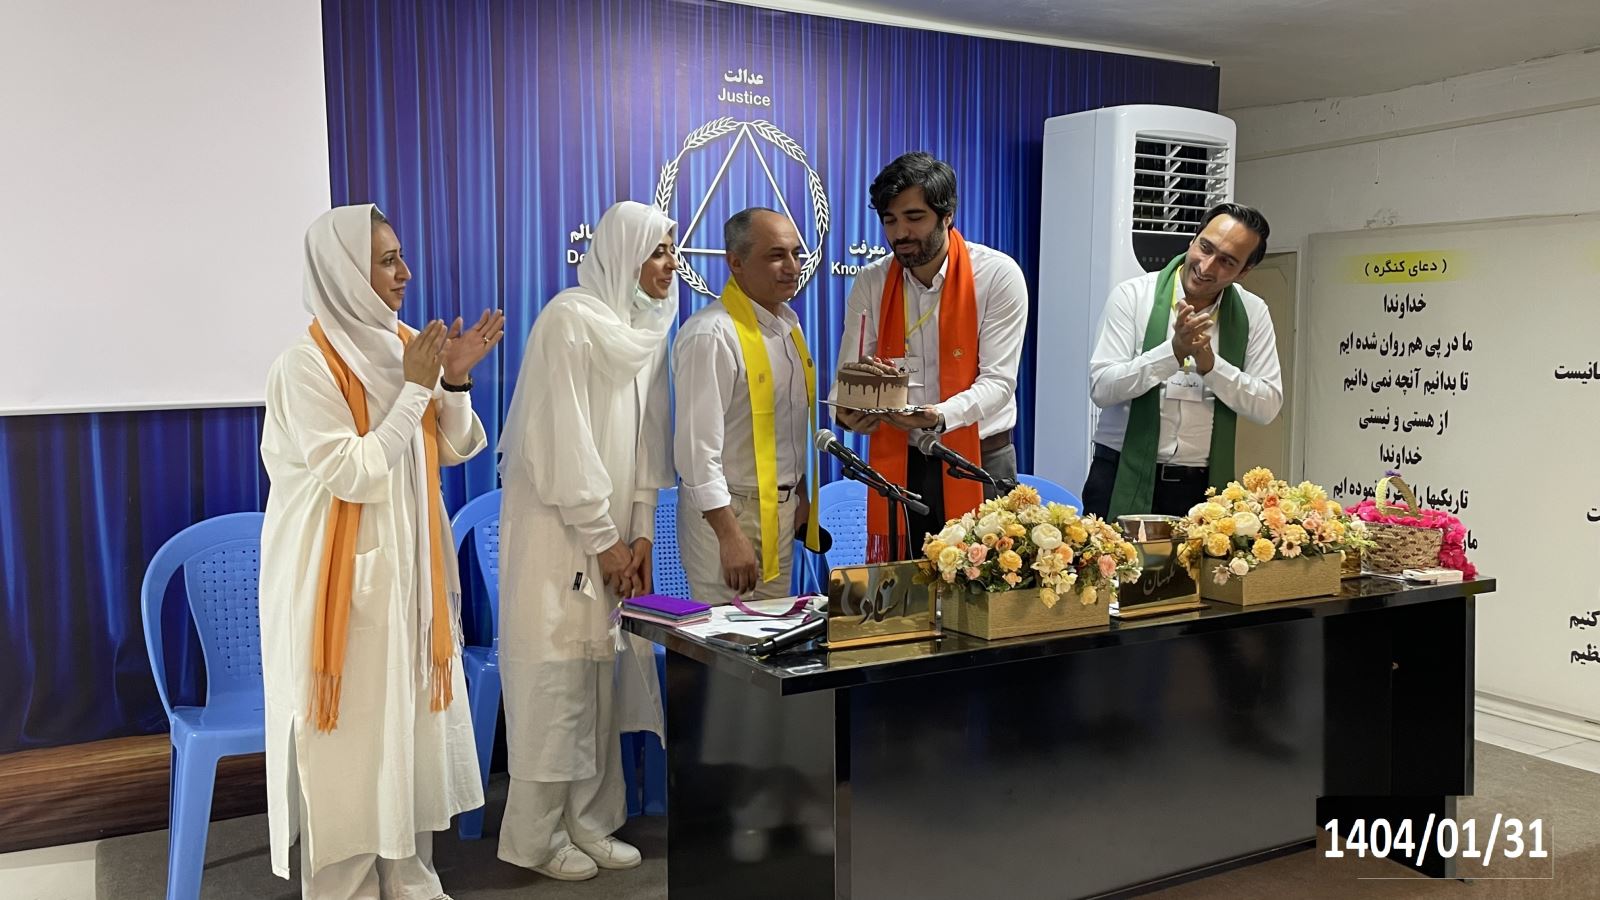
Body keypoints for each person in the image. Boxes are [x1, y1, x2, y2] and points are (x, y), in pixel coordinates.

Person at [259, 204, 503, 899]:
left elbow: (450, 446)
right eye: (388, 260)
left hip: (410, 574)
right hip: (334, 585)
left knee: (409, 736)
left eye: (400, 255)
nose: (406, 273)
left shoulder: (403, 343)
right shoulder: (304, 366)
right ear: (344, 272)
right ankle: (346, 889)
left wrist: (452, 382)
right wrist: (419, 386)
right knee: (347, 750)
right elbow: (353, 471)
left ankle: (410, 878)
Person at [495, 200, 677, 882]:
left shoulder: (647, 330)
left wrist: (640, 536)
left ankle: (590, 823)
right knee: (556, 682)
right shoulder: (569, 321)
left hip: (613, 541)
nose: (671, 264)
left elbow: (649, 443)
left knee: (599, 679)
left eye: (672, 249)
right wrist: (605, 542)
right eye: (658, 250)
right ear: (622, 255)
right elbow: (561, 445)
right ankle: (534, 839)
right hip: (559, 538)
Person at [832, 152, 1028, 559]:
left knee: (981, 584)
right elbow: (849, 377)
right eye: (890, 220)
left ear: (947, 215)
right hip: (900, 463)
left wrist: (937, 416)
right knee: (906, 586)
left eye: (914, 217)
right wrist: (849, 411)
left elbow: (998, 382)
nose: (900, 233)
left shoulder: (996, 275)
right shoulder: (871, 281)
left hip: (979, 459)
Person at [1083, 202, 1283, 519]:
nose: (1207, 266)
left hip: (1201, 487)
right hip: (1119, 474)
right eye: (1205, 247)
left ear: (1244, 271)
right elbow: (1102, 388)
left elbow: (1267, 405)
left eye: (1227, 261)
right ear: (1193, 240)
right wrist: (1172, 353)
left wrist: (1211, 366)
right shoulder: (1133, 296)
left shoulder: (1253, 313)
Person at [672, 207, 821, 605]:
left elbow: (787, 428)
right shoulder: (711, 335)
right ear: (735, 262)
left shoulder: (789, 327)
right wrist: (728, 534)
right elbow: (696, 452)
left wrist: (800, 496)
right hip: (730, 515)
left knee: (773, 634)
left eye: (796, 254)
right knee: (727, 637)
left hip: (781, 513)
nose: (792, 267)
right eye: (776, 255)